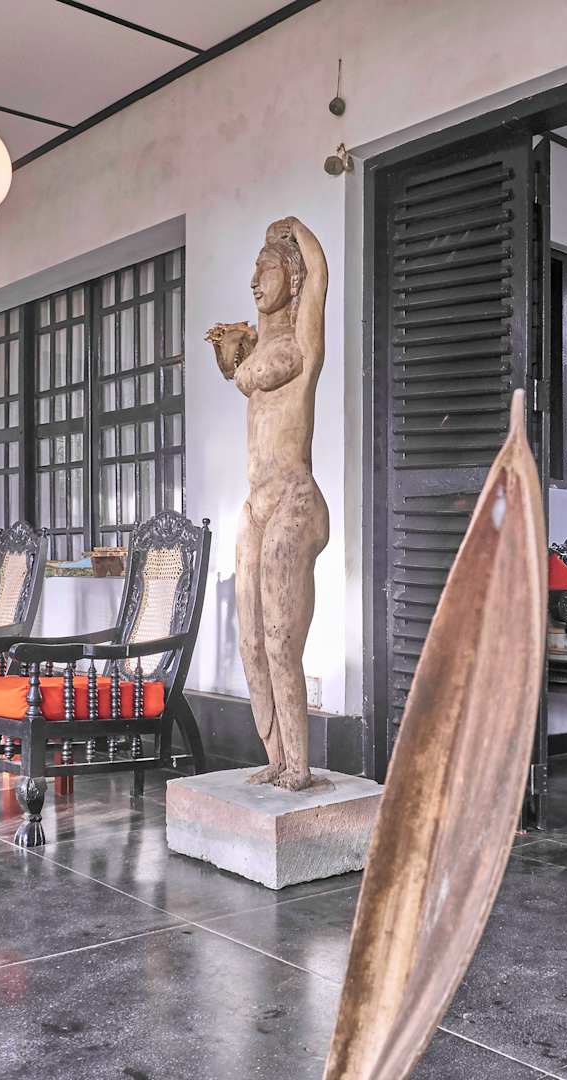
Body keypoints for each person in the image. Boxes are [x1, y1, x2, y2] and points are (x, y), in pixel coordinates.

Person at [206, 217, 328, 791]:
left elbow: (319, 275)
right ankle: (276, 757)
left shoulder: (302, 342)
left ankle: (299, 765)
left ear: (291, 275)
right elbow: (236, 368)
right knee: (251, 642)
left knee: (281, 638)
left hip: (294, 500)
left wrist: (295, 231)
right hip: (255, 504)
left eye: (267, 267)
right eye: (254, 269)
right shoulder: (257, 345)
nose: (255, 279)